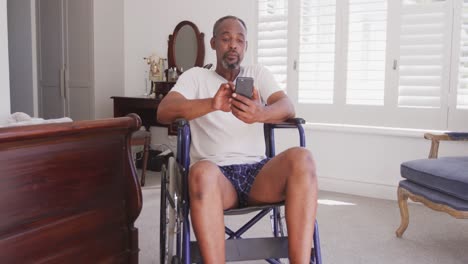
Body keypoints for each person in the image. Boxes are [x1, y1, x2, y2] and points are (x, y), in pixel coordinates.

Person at [157, 15, 318, 264]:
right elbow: (164, 111)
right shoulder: (195, 77)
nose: (233, 45)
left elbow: (288, 106)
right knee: (200, 173)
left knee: (303, 158)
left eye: (239, 40)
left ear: (245, 47)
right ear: (213, 43)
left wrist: (261, 113)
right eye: (226, 38)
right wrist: (212, 104)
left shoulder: (258, 73)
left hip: (258, 174)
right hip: (217, 180)